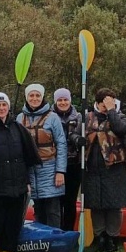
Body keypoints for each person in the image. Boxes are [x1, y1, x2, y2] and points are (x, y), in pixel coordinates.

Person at [0, 93, 41, 252]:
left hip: (17, 185)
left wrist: (26, 181)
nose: (1, 108)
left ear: (8, 107)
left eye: (4, 105)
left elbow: (25, 156)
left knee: (14, 223)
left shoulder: (17, 127)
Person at [84, 88, 126, 252]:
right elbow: (75, 135)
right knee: (96, 204)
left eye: (109, 103)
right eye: (103, 104)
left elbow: (121, 130)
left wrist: (111, 110)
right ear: (97, 104)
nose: (106, 106)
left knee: (113, 204)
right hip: (93, 168)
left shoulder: (120, 116)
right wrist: (77, 139)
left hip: (114, 167)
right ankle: (100, 236)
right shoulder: (87, 118)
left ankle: (113, 237)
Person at [17, 84, 67, 228]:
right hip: (29, 169)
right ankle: (40, 240)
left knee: (52, 209)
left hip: (50, 168)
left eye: (37, 95)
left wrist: (60, 171)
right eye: (31, 96)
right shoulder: (20, 118)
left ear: (42, 97)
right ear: (26, 98)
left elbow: (61, 144)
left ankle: (55, 239)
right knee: (38, 208)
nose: (34, 98)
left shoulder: (53, 118)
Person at [52, 88, 85, 232]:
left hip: (74, 164)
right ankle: (57, 231)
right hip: (55, 165)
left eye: (65, 99)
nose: (63, 102)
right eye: (60, 100)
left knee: (70, 201)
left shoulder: (79, 117)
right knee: (57, 201)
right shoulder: (50, 117)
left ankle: (69, 231)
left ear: (70, 101)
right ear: (55, 101)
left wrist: (81, 141)